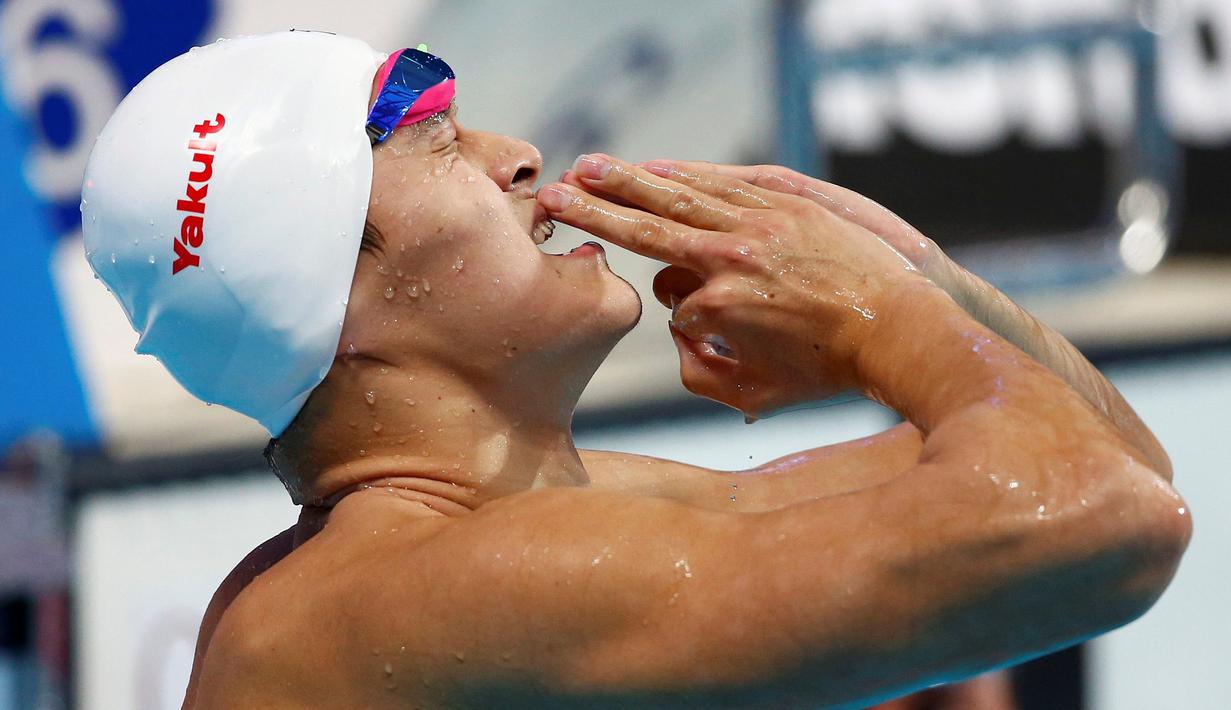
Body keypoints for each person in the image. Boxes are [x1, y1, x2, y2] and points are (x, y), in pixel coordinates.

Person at [82, 32, 1189, 710]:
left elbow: (1121, 470)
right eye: (439, 140)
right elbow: (1103, 519)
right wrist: (874, 315)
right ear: (330, 296)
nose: (517, 155)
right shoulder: (408, 594)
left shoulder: (510, 526)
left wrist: (916, 276)